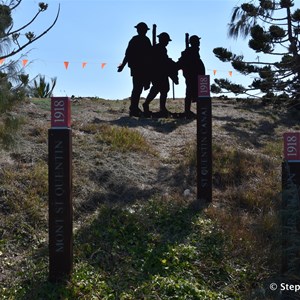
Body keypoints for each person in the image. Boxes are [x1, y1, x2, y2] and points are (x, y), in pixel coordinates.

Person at [118, 22, 152, 117]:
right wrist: (122, 66)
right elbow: (128, 54)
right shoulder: (137, 40)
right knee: (137, 88)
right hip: (138, 68)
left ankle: (134, 107)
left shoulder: (145, 40)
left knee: (138, 88)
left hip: (142, 68)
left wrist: (123, 66)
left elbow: (149, 55)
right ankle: (133, 108)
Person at [143, 32, 178, 118]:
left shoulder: (162, 48)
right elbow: (163, 60)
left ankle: (162, 107)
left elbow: (165, 60)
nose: (167, 43)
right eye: (167, 41)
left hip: (162, 72)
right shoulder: (158, 48)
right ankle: (146, 104)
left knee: (164, 89)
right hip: (157, 72)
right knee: (156, 89)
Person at [177, 35, 206, 118]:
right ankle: (187, 111)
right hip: (192, 76)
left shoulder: (194, 51)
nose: (199, 42)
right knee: (190, 92)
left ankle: (190, 111)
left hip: (196, 75)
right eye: (197, 41)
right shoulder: (189, 52)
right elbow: (183, 62)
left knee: (195, 93)